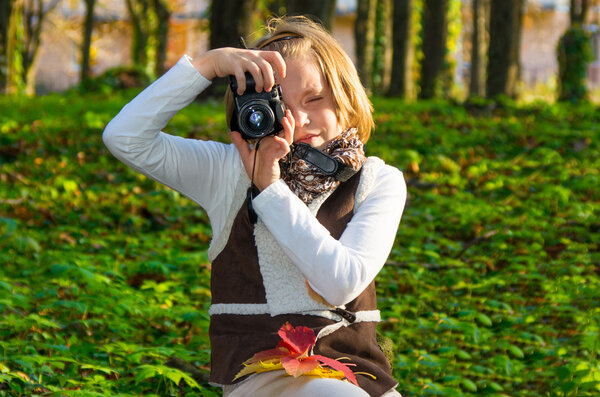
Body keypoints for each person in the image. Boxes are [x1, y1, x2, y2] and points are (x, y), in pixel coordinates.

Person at [103, 15, 406, 397]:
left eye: (315, 98)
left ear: (347, 94)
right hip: (266, 373)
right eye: (281, 107)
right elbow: (124, 137)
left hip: (357, 373)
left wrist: (271, 189)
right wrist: (207, 66)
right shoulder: (228, 172)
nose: (301, 120)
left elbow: (339, 283)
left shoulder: (378, 181)